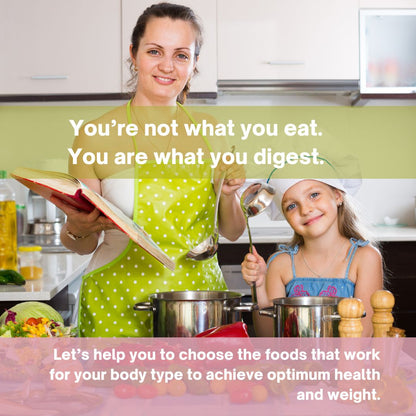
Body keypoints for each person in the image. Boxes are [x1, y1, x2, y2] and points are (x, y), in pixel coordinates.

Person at [52, 2, 245, 337]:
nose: (167, 66)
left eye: (181, 55)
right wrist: (78, 225)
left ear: (195, 62)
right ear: (134, 53)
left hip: (197, 306)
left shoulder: (213, 131)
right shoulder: (94, 135)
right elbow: (83, 243)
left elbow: (231, 231)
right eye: (155, 51)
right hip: (116, 303)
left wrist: (228, 197)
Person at [241, 177, 383, 337]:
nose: (305, 210)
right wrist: (259, 287)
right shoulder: (280, 264)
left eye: (314, 195)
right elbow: (269, 336)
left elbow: (364, 334)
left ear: (338, 196)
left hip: (347, 361)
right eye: (292, 206)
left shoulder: (365, 258)